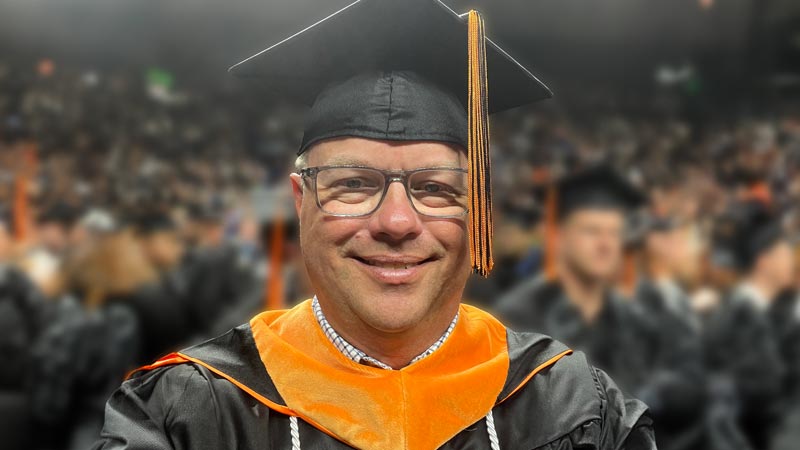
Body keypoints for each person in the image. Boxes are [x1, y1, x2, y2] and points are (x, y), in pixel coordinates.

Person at [93, 0, 655, 448]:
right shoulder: (189, 412)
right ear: (300, 200)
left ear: (479, 208)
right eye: (353, 185)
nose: (396, 221)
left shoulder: (573, 405)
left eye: (435, 189)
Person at [495, 165, 702, 450]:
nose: (606, 244)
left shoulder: (637, 317)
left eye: (614, 233)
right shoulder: (515, 321)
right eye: (591, 231)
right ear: (559, 237)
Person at [704, 201, 793, 450]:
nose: (792, 261)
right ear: (764, 261)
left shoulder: (778, 313)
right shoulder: (731, 321)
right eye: (785, 253)